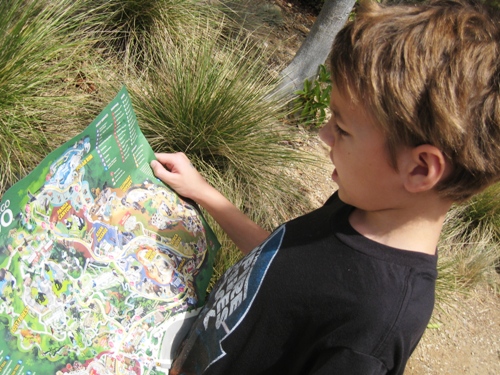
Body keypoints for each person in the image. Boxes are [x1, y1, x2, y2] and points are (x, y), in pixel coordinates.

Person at [150, 0, 500, 373]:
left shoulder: (373, 325)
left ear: (420, 169)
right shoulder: (362, 206)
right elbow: (281, 268)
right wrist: (206, 193)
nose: (323, 134)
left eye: (343, 129)